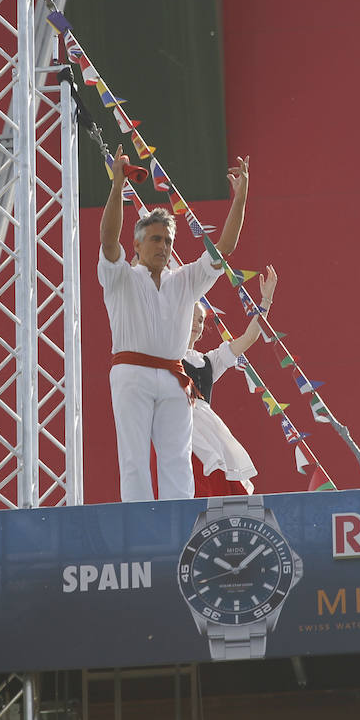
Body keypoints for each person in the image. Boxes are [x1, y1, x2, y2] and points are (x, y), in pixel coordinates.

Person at [98, 146, 251, 501]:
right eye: (155, 239)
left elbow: (223, 248)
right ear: (136, 244)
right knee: (134, 460)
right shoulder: (121, 276)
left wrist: (240, 200)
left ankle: (177, 527)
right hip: (131, 373)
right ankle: (137, 526)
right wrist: (116, 185)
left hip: (173, 376)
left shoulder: (184, 280)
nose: (163, 246)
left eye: (168, 240)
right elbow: (108, 241)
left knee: (177, 461)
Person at [184, 265, 277, 497]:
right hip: (181, 430)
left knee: (221, 485)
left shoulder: (209, 362)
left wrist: (265, 302)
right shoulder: (165, 357)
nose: (197, 324)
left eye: (201, 320)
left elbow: (249, 338)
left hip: (209, 432)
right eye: (192, 318)